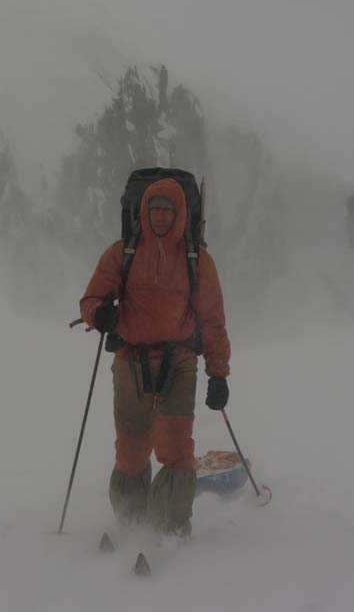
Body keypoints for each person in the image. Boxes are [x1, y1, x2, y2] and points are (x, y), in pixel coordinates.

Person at [79, 178, 231, 538]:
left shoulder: (197, 260)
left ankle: (170, 527)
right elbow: (91, 299)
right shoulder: (122, 253)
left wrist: (218, 374)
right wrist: (99, 314)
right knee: (131, 450)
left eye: (168, 210)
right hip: (131, 359)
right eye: (155, 209)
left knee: (175, 447)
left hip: (179, 361)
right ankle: (132, 522)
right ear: (144, 212)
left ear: (180, 215)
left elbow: (212, 320)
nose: (161, 216)